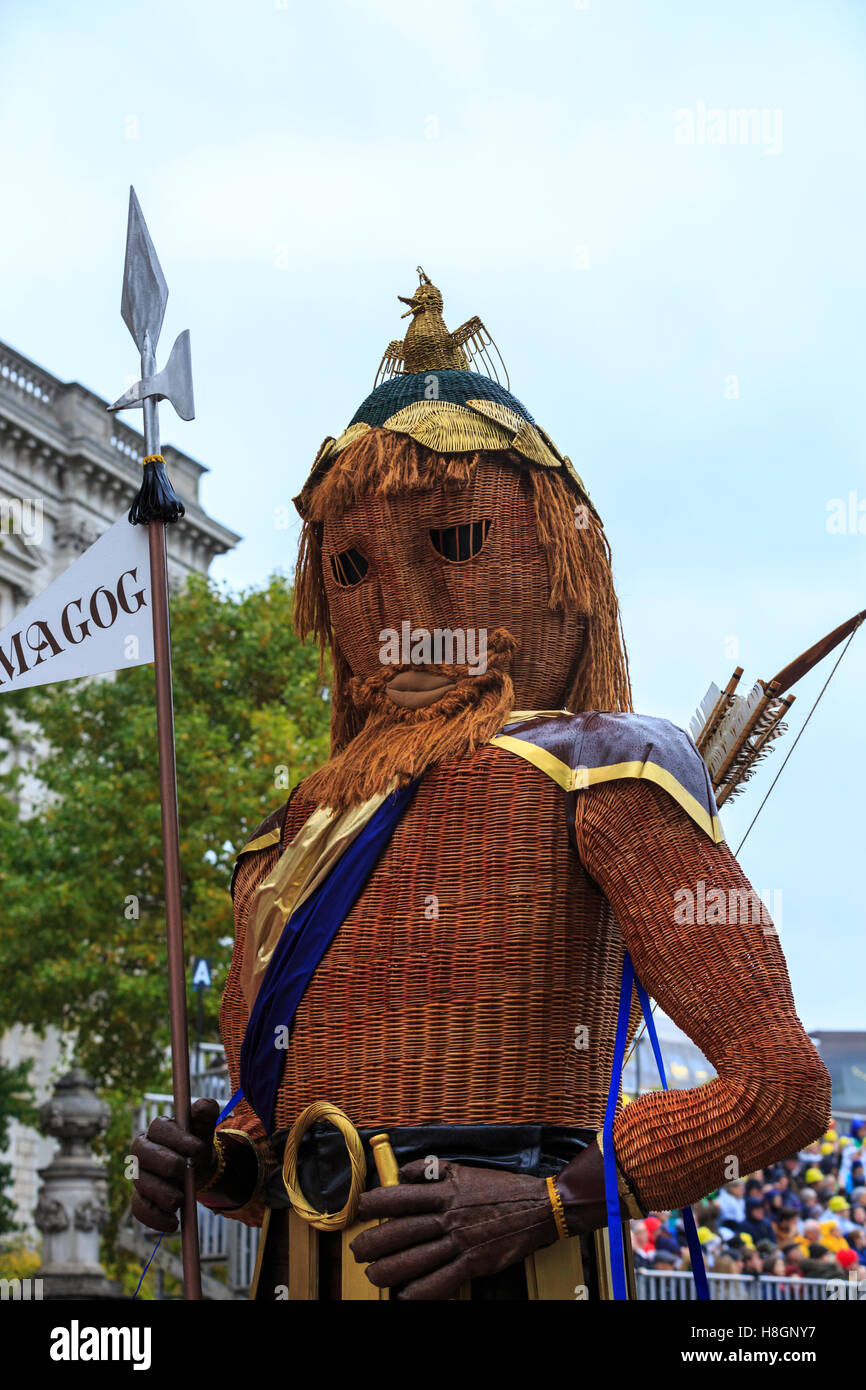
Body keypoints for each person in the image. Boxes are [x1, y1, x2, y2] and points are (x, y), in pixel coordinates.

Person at [129, 271, 832, 1300]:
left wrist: (550, 1202)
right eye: (355, 568)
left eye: (454, 541)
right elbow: (270, 1126)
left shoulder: (602, 766)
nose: (403, 608)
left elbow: (779, 1087)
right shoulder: (290, 835)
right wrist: (217, 1163)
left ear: (560, 562)